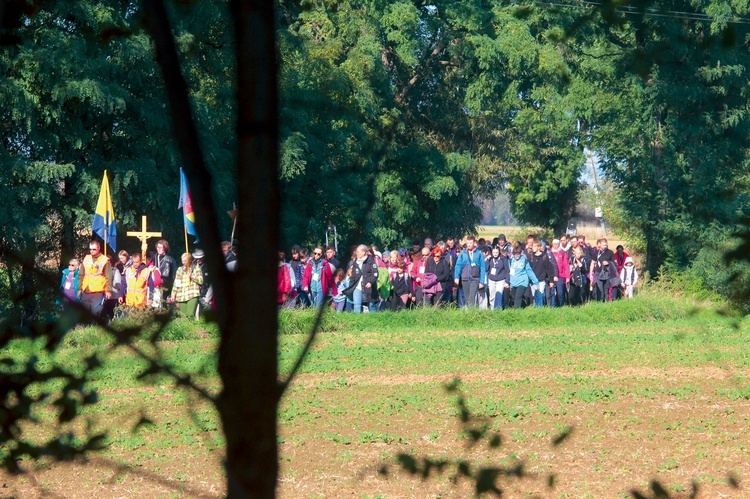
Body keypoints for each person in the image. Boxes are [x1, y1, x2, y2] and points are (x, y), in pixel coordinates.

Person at [78, 240, 114, 318]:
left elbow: (109, 276)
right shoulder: (86, 258)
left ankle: (95, 328)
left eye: (94, 249)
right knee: (83, 312)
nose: (92, 251)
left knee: (96, 312)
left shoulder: (104, 260)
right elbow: (81, 274)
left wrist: (108, 290)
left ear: (99, 248)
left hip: (98, 291)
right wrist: (79, 288)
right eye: (90, 249)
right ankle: (82, 329)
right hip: (86, 290)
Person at [341, 244, 379, 313]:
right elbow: (353, 276)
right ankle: (356, 321)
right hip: (357, 287)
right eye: (356, 252)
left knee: (371, 306)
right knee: (357, 305)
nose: (356, 253)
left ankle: (374, 319)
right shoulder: (356, 262)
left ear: (364, 252)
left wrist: (370, 282)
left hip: (369, 288)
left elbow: (375, 274)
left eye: (358, 252)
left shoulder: (371, 262)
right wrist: (350, 286)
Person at [453, 235, 486, 308]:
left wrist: (482, 281)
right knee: (467, 299)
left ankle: (472, 315)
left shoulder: (479, 253)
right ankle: (469, 315)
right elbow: (458, 266)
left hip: (475, 279)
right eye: (467, 243)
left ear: (474, 243)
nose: (469, 245)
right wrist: (456, 277)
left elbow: (483, 268)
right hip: (465, 279)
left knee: (471, 298)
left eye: (470, 243)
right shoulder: (462, 253)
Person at [168, 253, 203, 318]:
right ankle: (185, 327)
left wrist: (192, 276)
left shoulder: (196, 268)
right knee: (183, 316)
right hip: (181, 295)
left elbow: (201, 281)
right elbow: (176, 283)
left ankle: (193, 327)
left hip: (192, 293)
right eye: (182, 260)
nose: (183, 262)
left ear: (189, 260)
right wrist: (173, 294)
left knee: (190, 314)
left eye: (185, 261)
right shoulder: (179, 270)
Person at [508, 243, 539, 309]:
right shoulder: (511, 260)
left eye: (518, 254)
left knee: (518, 297)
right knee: (513, 297)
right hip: (513, 282)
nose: (516, 256)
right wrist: (509, 283)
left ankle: (516, 313)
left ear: (520, 253)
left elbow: (529, 271)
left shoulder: (524, 260)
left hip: (522, 282)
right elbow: (510, 272)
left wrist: (536, 282)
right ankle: (523, 306)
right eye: (515, 254)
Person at [155, 239, 177, 304]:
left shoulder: (170, 260)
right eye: (157, 247)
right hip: (155, 285)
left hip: (166, 285)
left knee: (164, 303)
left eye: (161, 247)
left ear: (165, 248)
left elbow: (173, 275)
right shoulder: (154, 257)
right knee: (156, 304)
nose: (159, 249)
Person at [550, 239, 570, 307]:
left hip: (561, 276)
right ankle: (553, 306)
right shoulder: (549, 253)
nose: (555, 246)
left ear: (559, 244)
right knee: (552, 292)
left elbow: (566, 265)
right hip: (551, 276)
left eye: (557, 244)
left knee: (560, 293)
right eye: (554, 244)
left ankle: (561, 306)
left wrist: (567, 277)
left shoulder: (563, 253)